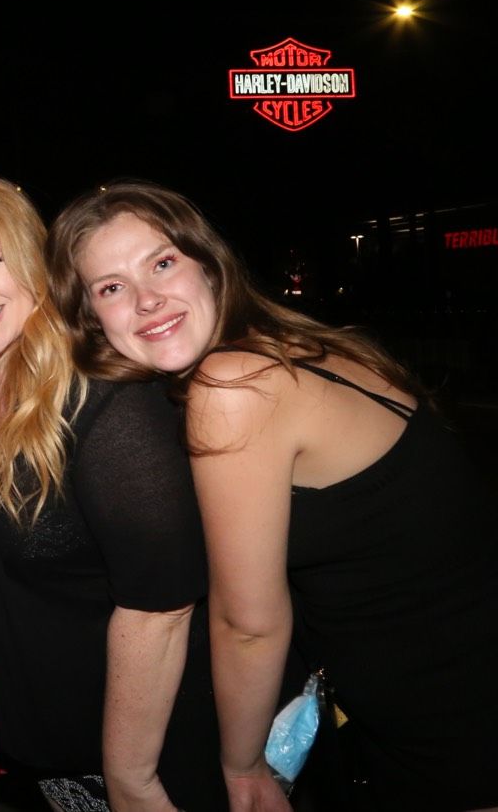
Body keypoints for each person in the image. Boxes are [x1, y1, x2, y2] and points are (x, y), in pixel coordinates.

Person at [49, 180, 498, 812]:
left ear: (208, 265)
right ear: (93, 317)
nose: (147, 300)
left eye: (162, 262)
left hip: (452, 717)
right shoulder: (308, 345)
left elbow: (250, 622)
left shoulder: (234, 385)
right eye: (112, 288)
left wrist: (243, 764)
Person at [0, 174, 226, 812]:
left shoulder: (109, 403)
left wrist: (132, 778)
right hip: (35, 729)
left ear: (33, 263)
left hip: (145, 742)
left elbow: (162, 607)